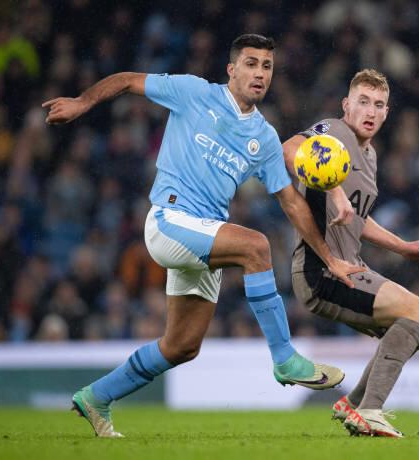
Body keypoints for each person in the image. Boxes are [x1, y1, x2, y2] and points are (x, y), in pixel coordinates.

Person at [43, 34, 363, 438]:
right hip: (169, 220)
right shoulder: (193, 92)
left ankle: (96, 397)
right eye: (251, 63)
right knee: (256, 246)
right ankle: (284, 358)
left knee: (181, 345)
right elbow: (126, 80)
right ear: (232, 69)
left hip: (204, 235)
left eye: (267, 66)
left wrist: (330, 258)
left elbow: (292, 203)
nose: (259, 73)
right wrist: (82, 103)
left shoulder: (264, 138)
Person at [283, 69, 419, 438]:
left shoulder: (368, 155)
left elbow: (357, 219)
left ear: (387, 112)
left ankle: (354, 406)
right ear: (346, 106)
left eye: (379, 104)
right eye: (363, 102)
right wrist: (333, 186)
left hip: (347, 268)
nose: (370, 111)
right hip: (321, 271)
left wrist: (404, 247)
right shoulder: (335, 132)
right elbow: (290, 149)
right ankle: (369, 410)